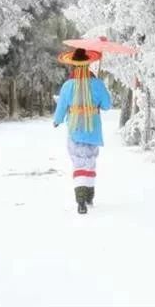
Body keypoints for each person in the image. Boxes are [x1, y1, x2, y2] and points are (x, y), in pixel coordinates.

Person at [53, 48, 112, 214]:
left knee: (78, 162)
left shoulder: (68, 85)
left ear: (73, 65)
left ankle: (80, 199)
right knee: (90, 161)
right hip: (93, 129)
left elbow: (62, 107)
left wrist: (57, 121)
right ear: (88, 64)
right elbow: (107, 105)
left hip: (74, 129)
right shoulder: (97, 83)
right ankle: (89, 195)